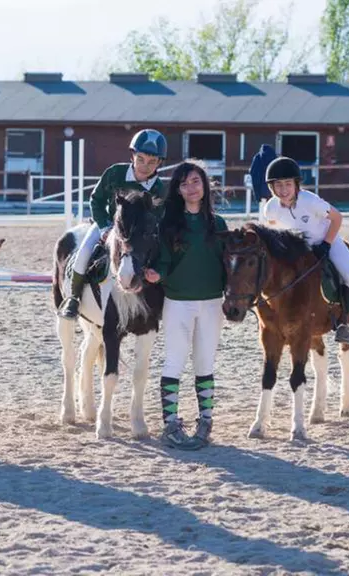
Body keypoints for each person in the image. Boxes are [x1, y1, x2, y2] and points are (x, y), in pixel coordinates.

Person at [144, 161, 227, 450]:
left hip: (213, 302)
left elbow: (228, 264)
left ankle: (206, 420)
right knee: (174, 361)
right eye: (183, 183)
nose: (190, 188)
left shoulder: (218, 225)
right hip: (178, 302)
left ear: (205, 185)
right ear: (177, 190)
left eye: (195, 181)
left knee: (205, 362)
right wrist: (156, 274)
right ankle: (170, 425)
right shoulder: (168, 225)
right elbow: (164, 262)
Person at [57, 129, 168, 319]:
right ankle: (73, 298)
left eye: (151, 162)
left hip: (138, 236)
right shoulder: (115, 173)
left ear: (159, 163)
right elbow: (96, 200)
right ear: (132, 156)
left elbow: (157, 219)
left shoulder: (159, 189)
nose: (145, 166)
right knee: (84, 252)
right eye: (140, 159)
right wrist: (104, 227)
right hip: (108, 225)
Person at [261, 156, 349, 344]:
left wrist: (326, 244)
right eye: (278, 185)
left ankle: (344, 321)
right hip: (296, 249)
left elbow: (337, 218)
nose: (283, 190)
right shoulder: (271, 208)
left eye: (288, 184)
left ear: (296, 184)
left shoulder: (310, 201)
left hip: (325, 240)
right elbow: (273, 231)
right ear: (272, 187)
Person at [249, 144, 277, 220]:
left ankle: (262, 220)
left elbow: (252, 171)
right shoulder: (274, 157)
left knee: (262, 205)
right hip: (272, 186)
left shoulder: (257, 157)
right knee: (273, 205)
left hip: (261, 186)